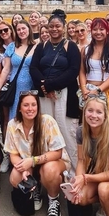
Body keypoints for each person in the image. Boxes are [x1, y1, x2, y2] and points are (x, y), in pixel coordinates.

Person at [5, 91, 70, 216]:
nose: (30, 109)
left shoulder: (47, 121)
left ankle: (53, 200)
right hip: (30, 163)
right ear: (19, 108)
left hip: (51, 162)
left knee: (49, 170)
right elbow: (13, 154)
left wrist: (33, 161)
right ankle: (35, 189)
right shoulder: (12, 124)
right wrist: (23, 170)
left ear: (38, 106)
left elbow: (57, 153)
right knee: (15, 177)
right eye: (26, 105)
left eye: (34, 105)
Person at [30, 12, 81, 169]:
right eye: (51, 26)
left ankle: (73, 171)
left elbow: (73, 71)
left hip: (65, 93)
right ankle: (50, 168)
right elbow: (33, 68)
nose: (54, 29)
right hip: (45, 95)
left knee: (67, 132)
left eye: (58, 26)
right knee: (48, 132)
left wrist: (50, 85)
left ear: (64, 27)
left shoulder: (71, 46)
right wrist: (44, 86)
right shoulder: (41, 46)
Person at [79, 17, 109, 155]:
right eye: (95, 29)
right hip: (89, 91)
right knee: (91, 127)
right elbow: (82, 71)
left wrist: (99, 89)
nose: (98, 32)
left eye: (101, 29)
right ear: (91, 31)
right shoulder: (85, 49)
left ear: (107, 31)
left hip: (108, 91)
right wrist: (84, 88)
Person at [0, 20, 36, 121]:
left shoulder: (37, 46)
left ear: (29, 29)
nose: (21, 31)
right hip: (16, 88)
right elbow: (6, 69)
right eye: (18, 29)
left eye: (23, 28)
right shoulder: (12, 46)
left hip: (32, 86)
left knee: (31, 114)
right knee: (16, 116)